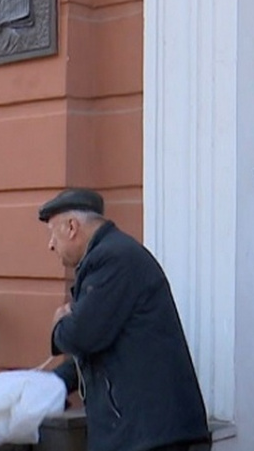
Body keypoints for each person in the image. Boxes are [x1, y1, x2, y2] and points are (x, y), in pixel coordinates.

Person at [39, 188, 210, 451]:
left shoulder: (112, 259)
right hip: (144, 435)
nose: (50, 244)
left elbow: (81, 335)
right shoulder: (113, 255)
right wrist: (54, 384)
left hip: (151, 438)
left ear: (71, 227)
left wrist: (58, 324)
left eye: (52, 232)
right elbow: (103, 344)